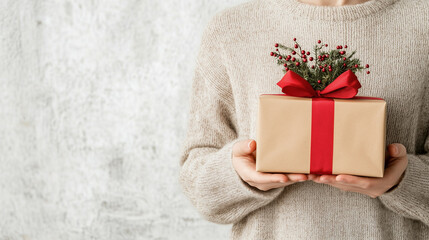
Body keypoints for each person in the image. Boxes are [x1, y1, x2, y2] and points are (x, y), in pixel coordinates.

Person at [179, 0, 429, 239]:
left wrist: (405, 182)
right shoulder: (231, 28)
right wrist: (238, 174)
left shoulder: (422, 22)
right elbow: (196, 181)